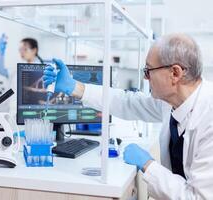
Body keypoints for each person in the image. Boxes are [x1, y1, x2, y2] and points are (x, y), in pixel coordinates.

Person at [43, 33, 213, 199]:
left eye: (148, 71)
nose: (146, 78)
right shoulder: (173, 103)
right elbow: (127, 102)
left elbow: (199, 197)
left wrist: (149, 165)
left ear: (175, 73)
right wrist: (74, 87)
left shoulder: (209, 118)